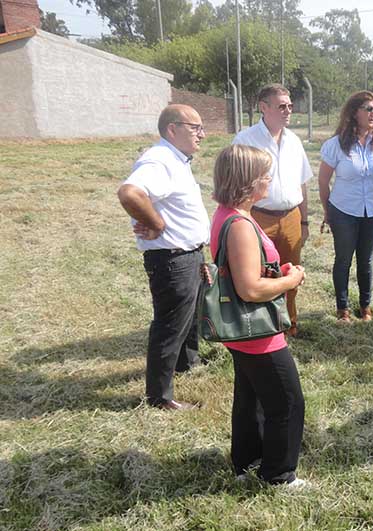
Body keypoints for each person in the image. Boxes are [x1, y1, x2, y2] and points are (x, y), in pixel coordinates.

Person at [210, 144, 307, 487]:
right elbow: (249, 289)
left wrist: (273, 269)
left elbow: (243, 270)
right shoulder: (239, 223)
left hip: (244, 332)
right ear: (247, 182)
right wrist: (289, 280)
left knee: (250, 398)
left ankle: (246, 462)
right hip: (258, 334)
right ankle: (279, 475)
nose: (269, 180)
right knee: (287, 403)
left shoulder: (229, 213)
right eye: (264, 174)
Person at [117, 104, 210, 411]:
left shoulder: (176, 159)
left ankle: (187, 363)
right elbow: (130, 193)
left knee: (190, 318)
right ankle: (160, 396)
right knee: (170, 325)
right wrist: (156, 223)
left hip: (189, 254)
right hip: (172, 259)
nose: (202, 134)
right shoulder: (159, 161)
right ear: (173, 129)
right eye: (195, 128)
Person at [232, 83, 313, 336]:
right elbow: (235, 184)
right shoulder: (245, 140)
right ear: (263, 107)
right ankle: (259, 325)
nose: (288, 111)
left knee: (291, 273)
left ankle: (289, 323)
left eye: (290, 106)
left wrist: (304, 221)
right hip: (258, 218)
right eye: (282, 106)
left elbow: (303, 184)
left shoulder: (294, 141)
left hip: (291, 218)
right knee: (258, 275)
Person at [318, 91, 373, 322]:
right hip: (343, 211)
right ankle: (343, 309)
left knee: (366, 260)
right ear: (354, 113)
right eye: (368, 109)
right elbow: (323, 180)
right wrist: (328, 211)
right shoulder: (335, 145)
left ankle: (365, 307)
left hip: (371, 211)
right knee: (343, 260)